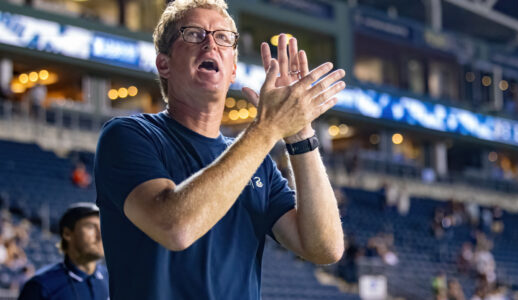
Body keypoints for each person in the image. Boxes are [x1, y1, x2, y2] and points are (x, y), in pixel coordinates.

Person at [94, 0, 346, 299]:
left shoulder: (259, 163)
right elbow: (175, 228)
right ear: (164, 63)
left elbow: (324, 248)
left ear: (232, 72)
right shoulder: (129, 135)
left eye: (223, 37)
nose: (211, 43)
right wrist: (268, 127)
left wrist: (299, 132)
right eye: (194, 34)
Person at [18, 203, 108, 300]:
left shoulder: (112, 279)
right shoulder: (41, 286)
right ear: (67, 234)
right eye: (91, 226)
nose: (100, 235)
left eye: (102, 227)